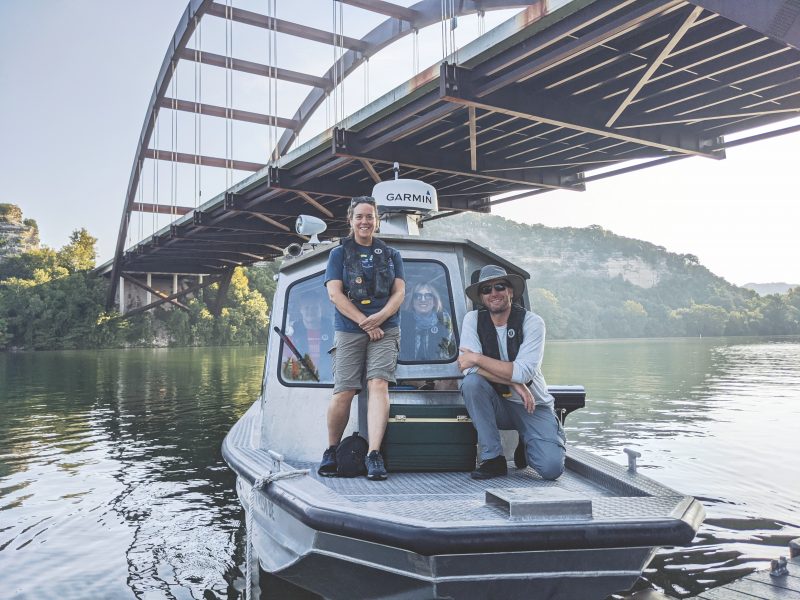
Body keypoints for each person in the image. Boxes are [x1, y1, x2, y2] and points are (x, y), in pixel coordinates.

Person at [318, 196, 405, 481]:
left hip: (385, 327)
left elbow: (399, 293)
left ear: (376, 220)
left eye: (370, 216)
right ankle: (331, 450)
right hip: (351, 328)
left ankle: (374, 454)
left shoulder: (392, 255)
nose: (365, 221)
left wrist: (379, 320)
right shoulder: (338, 254)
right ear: (351, 220)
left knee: (378, 383)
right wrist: (366, 323)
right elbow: (335, 294)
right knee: (344, 389)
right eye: (359, 217)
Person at [457, 264, 565, 481]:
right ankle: (493, 459)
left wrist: (477, 358)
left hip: (532, 404)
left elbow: (523, 372)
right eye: (486, 290)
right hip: (498, 405)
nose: (493, 293)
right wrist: (516, 384)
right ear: (481, 297)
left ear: (511, 292)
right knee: (471, 384)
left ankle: (529, 442)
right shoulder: (472, 320)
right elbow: (467, 369)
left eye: (499, 286)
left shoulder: (533, 323)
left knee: (551, 469)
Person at [282, 293, 334, 382]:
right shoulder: (292, 334)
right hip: (301, 383)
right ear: (301, 310)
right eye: (306, 308)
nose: (311, 311)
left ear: (321, 309)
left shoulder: (334, 332)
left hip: (328, 382)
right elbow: (283, 362)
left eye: (315, 308)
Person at [400, 282, 455, 361]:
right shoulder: (402, 320)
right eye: (418, 296)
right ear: (412, 302)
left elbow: (444, 352)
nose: (423, 299)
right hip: (407, 369)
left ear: (434, 301)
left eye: (428, 296)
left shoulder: (443, 320)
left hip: (438, 368)